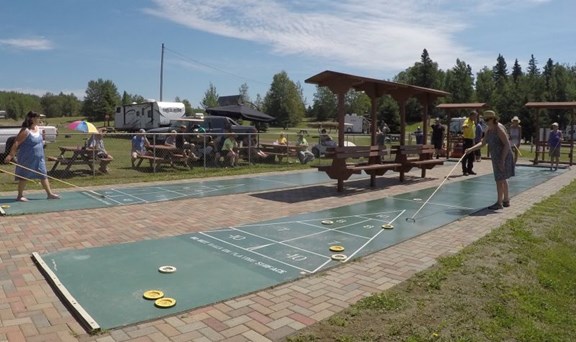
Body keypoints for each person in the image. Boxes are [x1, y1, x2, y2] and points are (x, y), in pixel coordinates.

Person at [3, 111, 60, 201]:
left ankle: (49, 194)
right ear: (32, 119)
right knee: (24, 176)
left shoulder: (38, 128)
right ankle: (20, 196)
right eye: (38, 118)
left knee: (43, 175)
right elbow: (16, 142)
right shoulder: (26, 131)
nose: (39, 120)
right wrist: (10, 155)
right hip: (27, 158)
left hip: (39, 158)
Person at [464, 110, 515, 210]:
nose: (486, 121)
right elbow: (483, 143)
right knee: (502, 178)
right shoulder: (488, 129)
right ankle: (506, 200)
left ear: (493, 119)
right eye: (485, 119)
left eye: (488, 119)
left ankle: (499, 203)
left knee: (499, 179)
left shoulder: (498, 128)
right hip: (496, 156)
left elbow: (507, 145)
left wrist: (502, 160)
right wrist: (471, 149)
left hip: (503, 156)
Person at [461, 111, 477, 176]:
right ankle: (464, 171)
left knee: (471, 156)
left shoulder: (473, 122)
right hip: (466, 140)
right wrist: (465, 126)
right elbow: (463, 126)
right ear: (471, 115)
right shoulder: (467, 121)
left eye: (476, 116)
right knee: (465, 156)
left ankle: (469, 170)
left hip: (472, 140)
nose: (475, 117)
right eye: (475, 116)